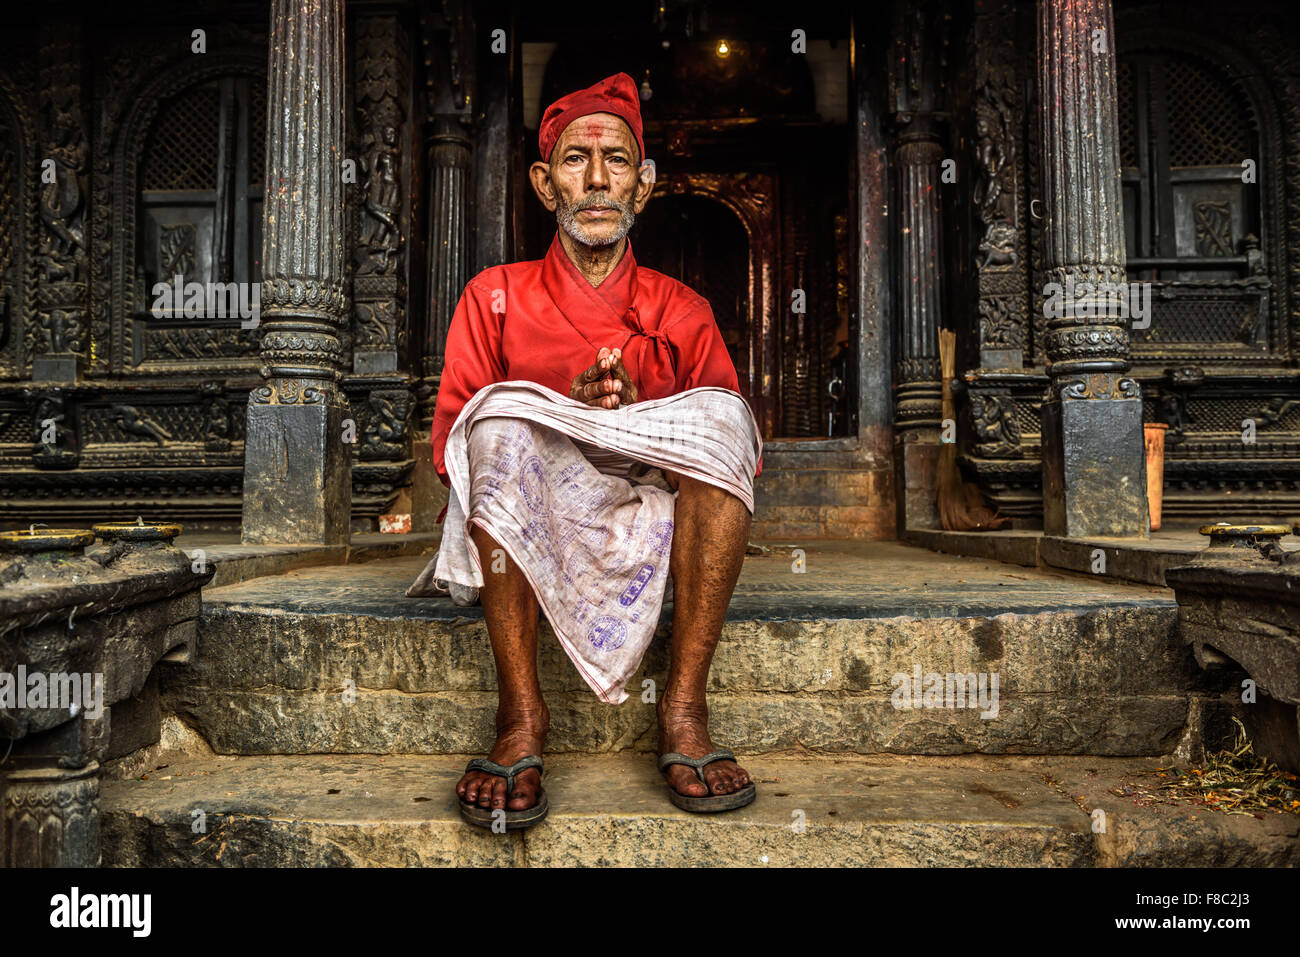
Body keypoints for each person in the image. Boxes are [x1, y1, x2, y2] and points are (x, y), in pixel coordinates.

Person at [428, 73, 761, 828]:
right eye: (577, 159)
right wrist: (565, 416)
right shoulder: (493, 295)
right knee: (495, 427)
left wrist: (633, 421)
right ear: (546, 184)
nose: (599, 179)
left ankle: (682, 709)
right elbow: (452, 452)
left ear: (644, 186)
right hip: (529, 515)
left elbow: (733, 460)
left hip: (653, 513)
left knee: (723, 423)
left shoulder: (684, 309)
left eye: (617, 161)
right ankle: (520, 713)